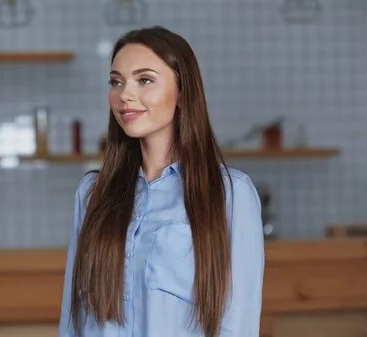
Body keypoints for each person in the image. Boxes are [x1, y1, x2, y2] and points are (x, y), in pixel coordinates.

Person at [58, 26, 264, 337]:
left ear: (182, 92)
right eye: (116, 81)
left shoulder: (230, 194)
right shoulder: (92, 193)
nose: (125, 94)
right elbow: (72, 318)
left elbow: (238, 324)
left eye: (145, 80)